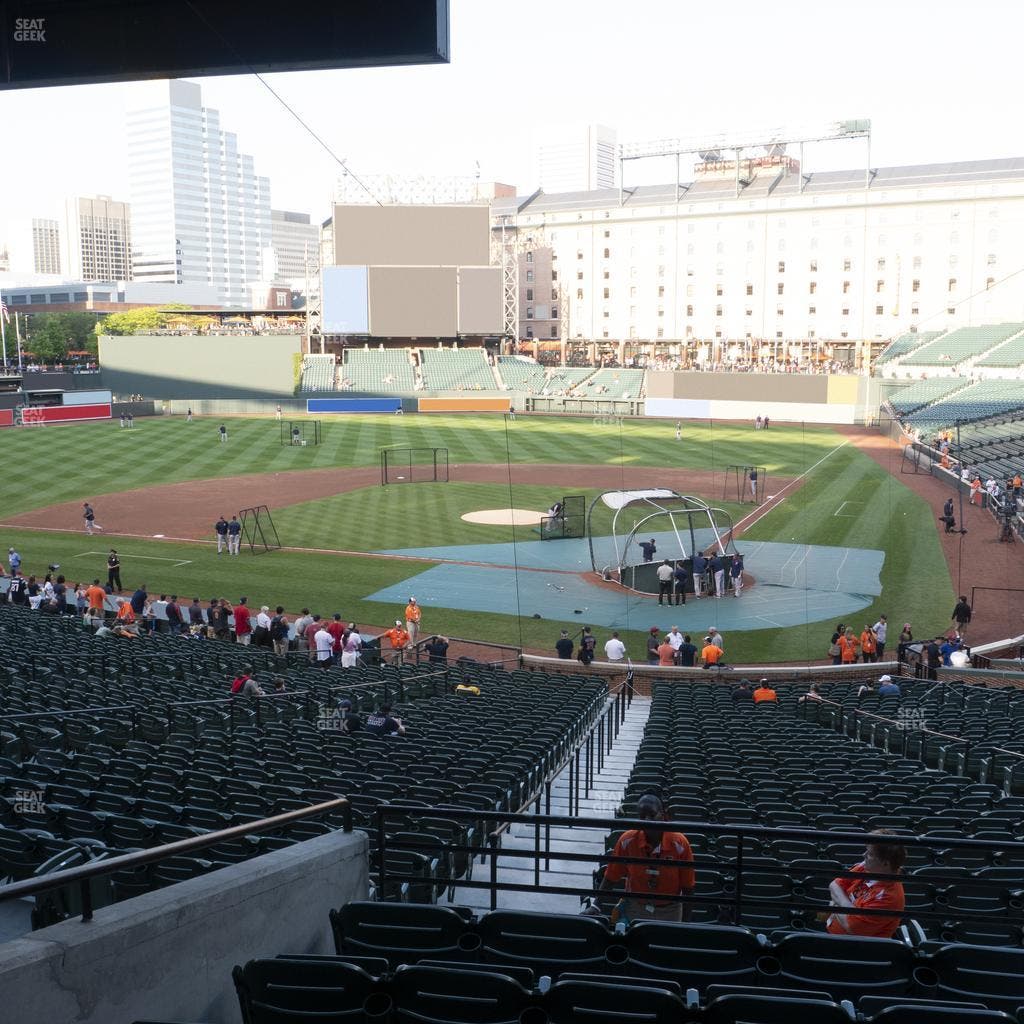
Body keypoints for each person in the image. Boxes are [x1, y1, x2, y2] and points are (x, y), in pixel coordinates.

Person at [598, 792, 694, 922]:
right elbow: (611, 877)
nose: (647, 821)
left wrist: (685, 924)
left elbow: (688, 887)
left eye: (652, 815)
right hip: (635, 908)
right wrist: (595, 906)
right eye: (642, 817)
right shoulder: (627, 840)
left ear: (663, 814)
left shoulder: (680, 843)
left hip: (670, 911)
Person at [826, 831, 906, 938]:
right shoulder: (867, 867)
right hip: (831, 931)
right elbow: (834, 885)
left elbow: (852, 928)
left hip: (851, 947)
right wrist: (848, 908)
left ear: (885, 863)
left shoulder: (888, 897)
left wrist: (836, 904)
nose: (863, 855)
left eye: (870, 854)